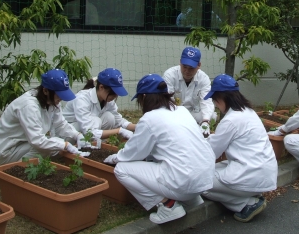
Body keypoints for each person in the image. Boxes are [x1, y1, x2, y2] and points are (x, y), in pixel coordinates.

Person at [104, 74, 215, 224]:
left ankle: (168, 206)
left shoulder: (150, 118)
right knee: (174, 160)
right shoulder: (181, 111)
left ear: (143, 97)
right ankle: (192, 201)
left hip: (184, 182)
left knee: (121, 169)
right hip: (205, 180)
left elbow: (133, 153)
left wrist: (114, 158)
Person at [202, 74, 277, 223]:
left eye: (215, 100)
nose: (216, 105)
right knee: (215, 168)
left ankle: (246, 204)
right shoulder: (248, 112)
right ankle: (247, 195)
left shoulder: (230, 120)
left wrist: (201, 139)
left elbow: (212, 152)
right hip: (264, 172)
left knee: (200, 182)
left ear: (222, 98)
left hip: (250, 174)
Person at [0, 69, 86, 166]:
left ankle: (28, 165)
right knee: (46, 148)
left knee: (54, 145)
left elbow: (60, 124)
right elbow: (37, 140)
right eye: (58, 95)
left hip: (21, 142)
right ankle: (17, 171)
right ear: (45, 91)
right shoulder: (29, 106)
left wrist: (77, 135)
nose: (61, 99)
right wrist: (64, 145)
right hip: (4, 151)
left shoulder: (52, 101)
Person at [62, 68, 135, 143]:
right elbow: (89, 132)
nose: (115, 96)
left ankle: (98, 145)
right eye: (113, 92)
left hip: (85, 130)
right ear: (101, 87)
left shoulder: (108, 100)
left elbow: (119, 121)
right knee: (96, 121)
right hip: (67, 134)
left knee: (109, 117)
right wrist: (118, 131)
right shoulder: (82, 99)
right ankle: (82, 147)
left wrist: (138, 127)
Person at [163, 47, 216, 136]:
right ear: (180, 62)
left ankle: (202, 133)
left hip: (193, 112)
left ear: (199, 65)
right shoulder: (169, 75)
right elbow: (167, 101)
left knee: (212, 116)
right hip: (174, 113)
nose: (187, 71)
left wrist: (206, 121)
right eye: (184, 67)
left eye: (191, 68)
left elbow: (206, 100)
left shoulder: (204, 78)